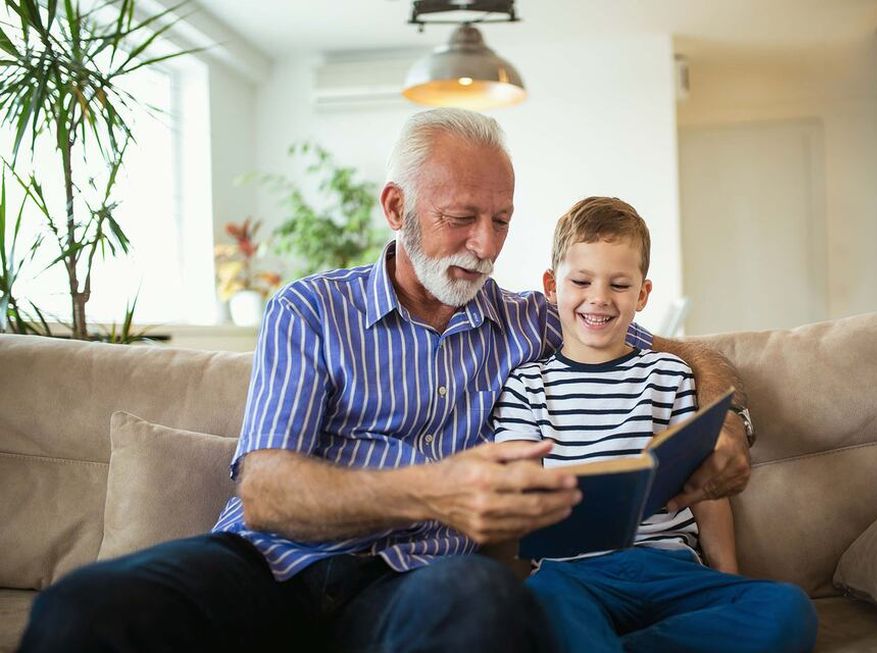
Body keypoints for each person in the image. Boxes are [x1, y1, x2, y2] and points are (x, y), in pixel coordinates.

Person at [19, 109, 753, 653]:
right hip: (269, 568)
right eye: (463, 218)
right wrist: (434, 489)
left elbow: (678, 348)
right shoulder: (311, 309)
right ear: (397, 208)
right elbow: (266, 488)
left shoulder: (525, 318)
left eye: (501, 220)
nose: (487, 245)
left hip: (419, 585)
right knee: (86, 610)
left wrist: (725, 423)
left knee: (483, 599)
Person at [491, 196, 817, 653]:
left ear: (642, 294)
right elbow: (514, 493)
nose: (599, 298)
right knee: (543, 605)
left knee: (788, 610)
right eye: (581, 281)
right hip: (572, 576)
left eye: (619, 285)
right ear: (552, 286)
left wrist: (725, 580)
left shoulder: (669, 374)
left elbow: (706, 494)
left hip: (670, 568)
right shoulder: (527, 385)